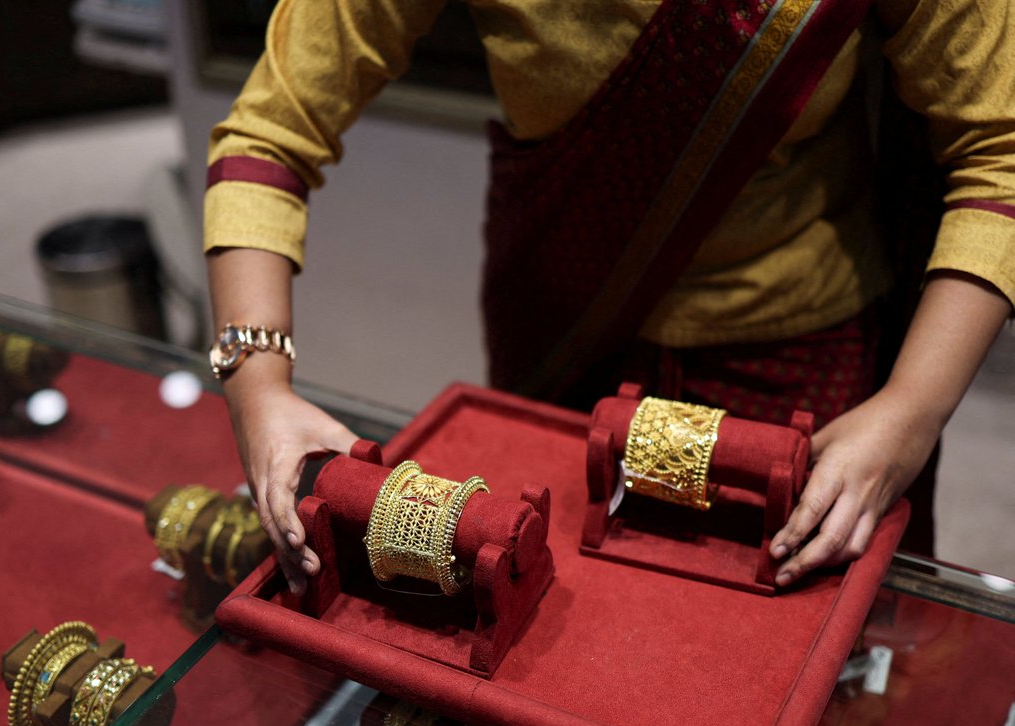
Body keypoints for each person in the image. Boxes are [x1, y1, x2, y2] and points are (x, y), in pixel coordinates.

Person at [204, 0, 1013, 595]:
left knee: (778, 659)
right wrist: (256, 386)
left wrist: (912, 408)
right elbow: (270, 132)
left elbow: (1001, 152)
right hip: (565, 322)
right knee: (544, 619)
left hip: (796, 342)